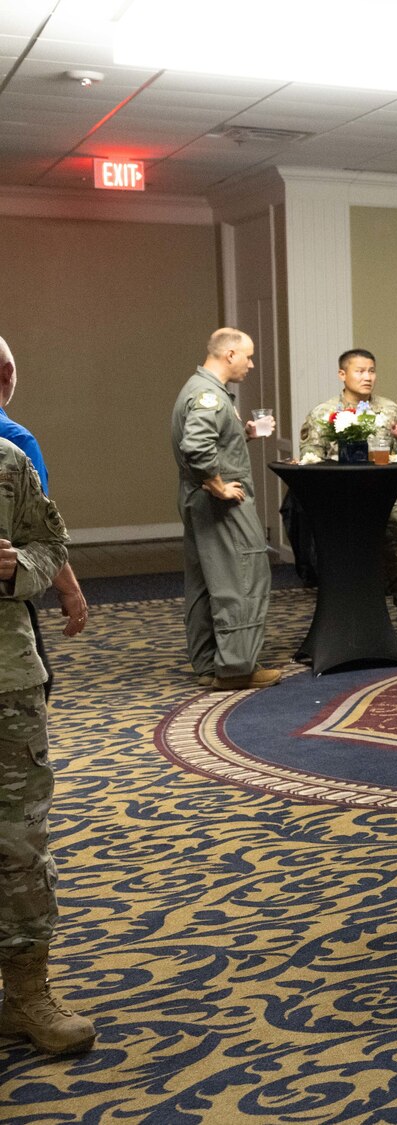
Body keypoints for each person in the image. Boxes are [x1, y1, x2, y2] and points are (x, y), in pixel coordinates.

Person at [0, 338, 90, 1057]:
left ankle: (28, 992)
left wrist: (17, 568)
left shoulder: (9, 462)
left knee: (21, 842)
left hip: (7, 683)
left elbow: (49, 546)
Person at [298, 348, 397, 647]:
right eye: (360, 371)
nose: (367, 377)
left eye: (371, 371)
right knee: (343, 564)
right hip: (341, 504)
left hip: (383, 503)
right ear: (342, 375)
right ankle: (343, 625)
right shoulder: (323, 414)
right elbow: (311, 459)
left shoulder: (389, 411)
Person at [173, 329, 280, 690]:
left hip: (198, 503)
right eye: (247, 357)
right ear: (230, 354)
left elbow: (209, 441)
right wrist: (217, 484)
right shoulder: (209, 396)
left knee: (205, 583)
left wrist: (243, 433)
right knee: (243, 579)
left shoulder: (199, 389)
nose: (250, 364)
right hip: (221, 506)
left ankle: (206, 664)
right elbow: (197, 446)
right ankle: (236, 668)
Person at [0, 338, 88, 648]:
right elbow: (38, 527)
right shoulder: (15, 443)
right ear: (8, 372)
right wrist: (70, 589)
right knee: (32, 683)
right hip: (7, 595)